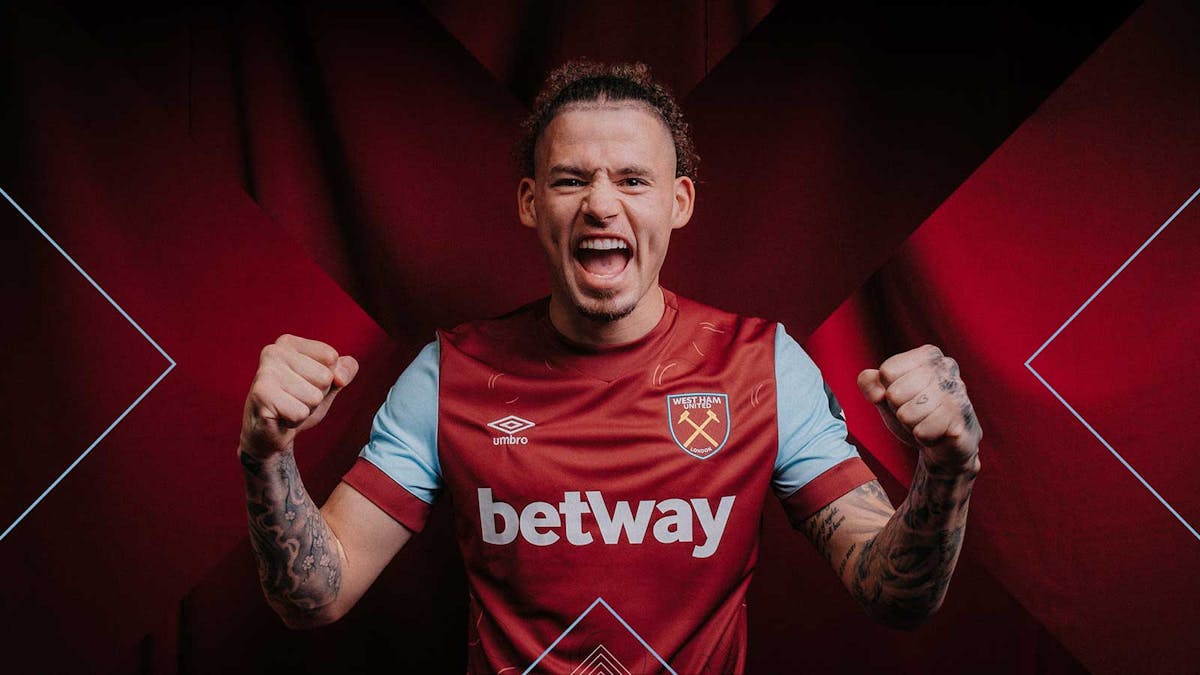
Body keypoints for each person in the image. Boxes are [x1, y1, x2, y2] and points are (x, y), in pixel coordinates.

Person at [237, 61, 982, 674]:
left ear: (679, 202)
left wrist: (947, 470)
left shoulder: (763, 368)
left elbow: (893, 594)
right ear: (531, 203)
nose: (600, 204)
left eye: (632, 180)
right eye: (570, 180)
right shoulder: (448, 376)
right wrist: (267, 457)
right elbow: (316, 595)